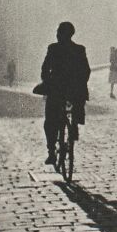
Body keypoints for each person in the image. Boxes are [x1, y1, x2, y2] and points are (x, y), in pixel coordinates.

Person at [40, 22, 91, 165]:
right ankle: (74, 124)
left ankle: (51, 152)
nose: (57, 35)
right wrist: (80, 84)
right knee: (77, 102)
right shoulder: (79, 49)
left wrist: (46, 81)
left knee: (50, 121)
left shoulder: (53, 49)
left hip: (56, 89)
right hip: (74, 90)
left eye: (58, 32)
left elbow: (45, 68)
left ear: (62, 34)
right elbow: (86, 70)